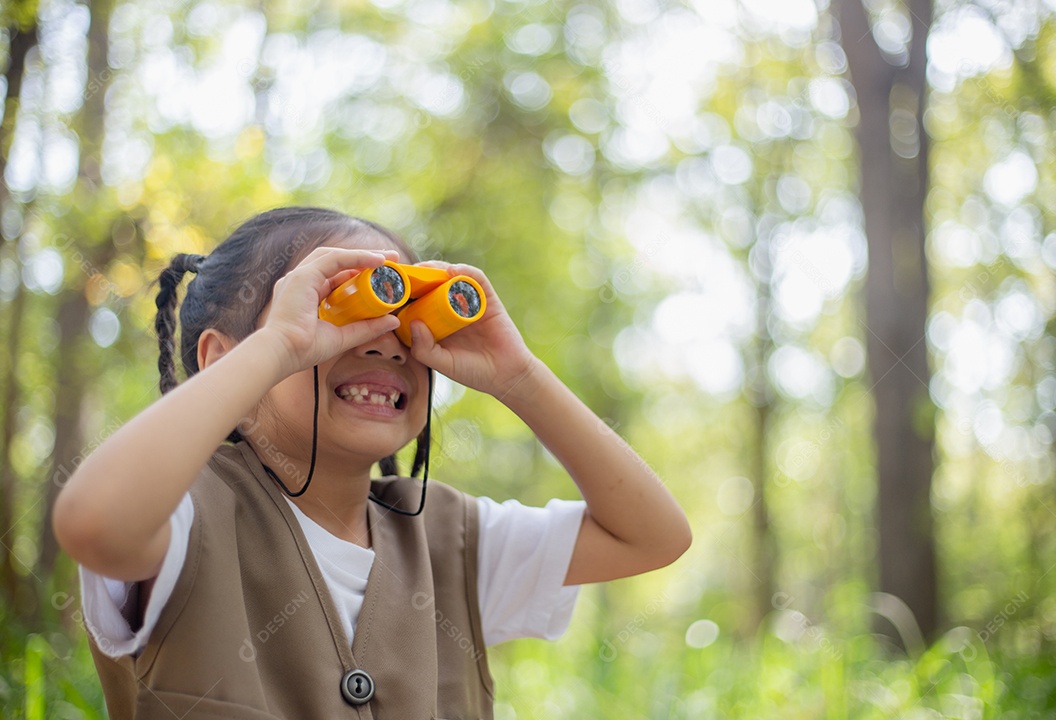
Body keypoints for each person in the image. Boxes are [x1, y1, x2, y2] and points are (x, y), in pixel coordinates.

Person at [53, 206, 692, 719]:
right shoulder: (185, 517)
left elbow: (654, 536)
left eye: (408, 314)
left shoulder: (455, 539)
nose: (387, 345)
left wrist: (518, 375)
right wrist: (284, 342)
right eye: (346, 308)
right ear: (225, 359)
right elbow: (93, 520)